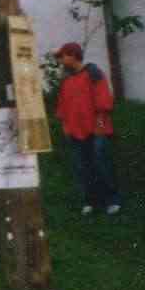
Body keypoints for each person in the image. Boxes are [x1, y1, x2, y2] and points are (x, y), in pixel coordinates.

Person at [54, 43, 121, 215]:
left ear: (72, 55)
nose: (61, 61)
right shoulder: (66, 80)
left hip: (97, 129)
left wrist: (99, 126)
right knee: (82, 166)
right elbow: (62, 107)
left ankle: (112, 200)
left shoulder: (93, 73)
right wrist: (65, 126)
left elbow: (104, 102)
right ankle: (90, 200)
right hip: (76, 131)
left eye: (63, 56)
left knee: (101, 162)